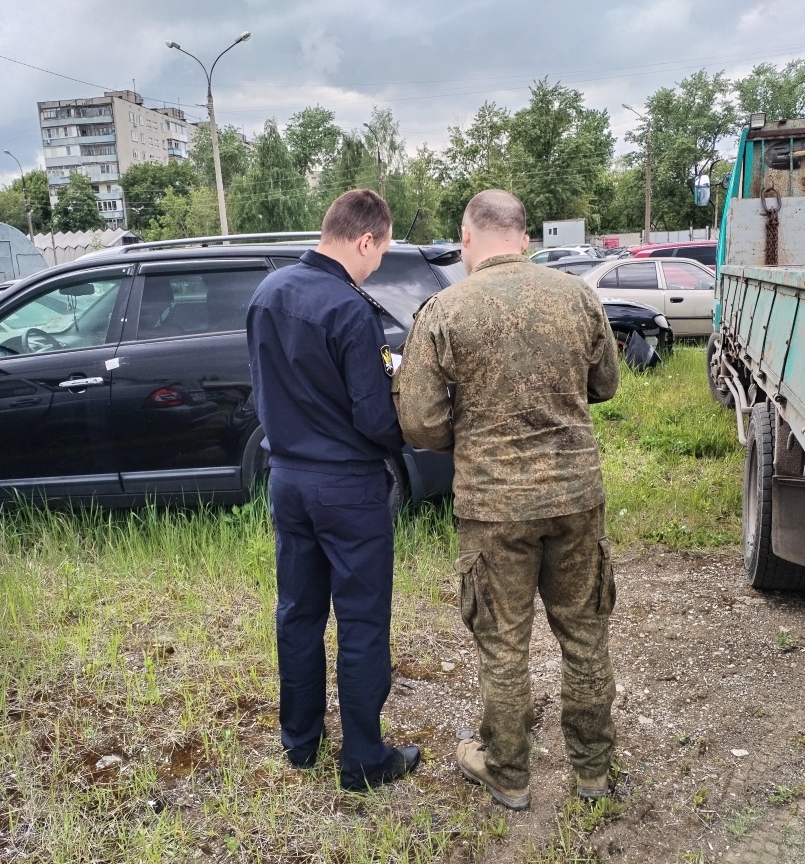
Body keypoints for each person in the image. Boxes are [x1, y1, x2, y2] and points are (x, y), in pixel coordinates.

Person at [394, 189, 620, 811]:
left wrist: (466, 432)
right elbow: (605, 383)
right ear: (524, 237)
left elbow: (417, 421)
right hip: (575, 498)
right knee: (584, 637)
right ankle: (594, 772)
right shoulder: (578, 297)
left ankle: (510, 774)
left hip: (494, 508)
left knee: (502, 644)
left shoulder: (444, 310)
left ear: (468, 238)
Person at [246, 189, 421, 792]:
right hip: (347, 486)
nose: (378, 265)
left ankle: (301, 742)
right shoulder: (350, 310)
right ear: (363, 239)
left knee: (297, 613)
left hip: (287, 479)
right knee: (362, 619)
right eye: (381, 252)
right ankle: (365, 758)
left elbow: (262, 389)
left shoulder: (267, 293)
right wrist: (409, 433)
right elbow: (374, 417)